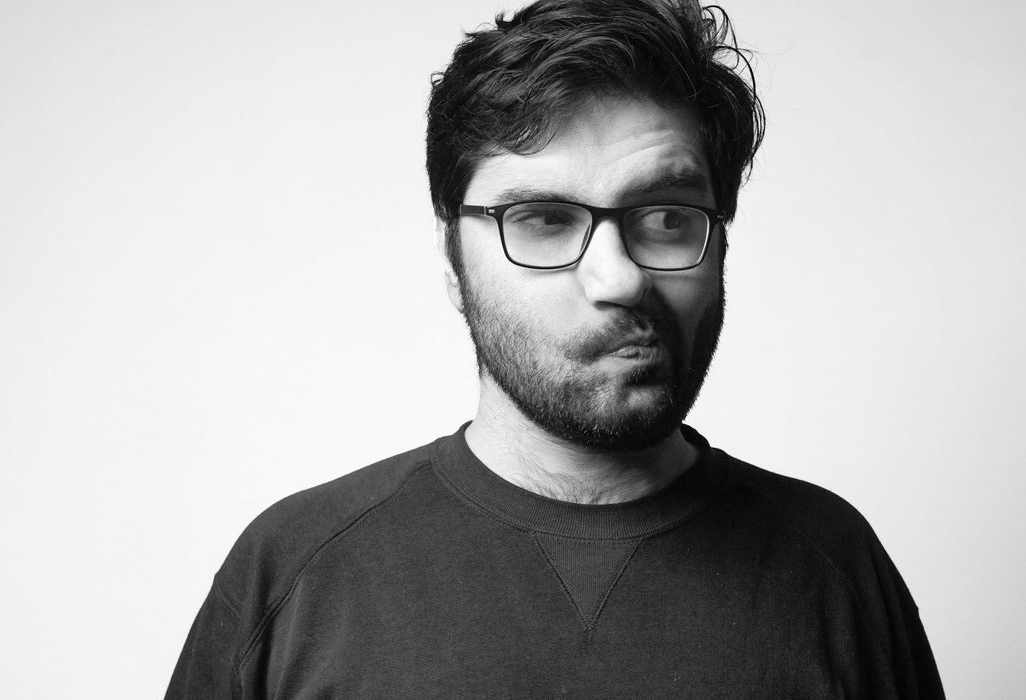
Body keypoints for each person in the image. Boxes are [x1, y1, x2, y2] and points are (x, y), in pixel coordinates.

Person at [166, 0, 944, 697]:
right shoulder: (295, 570)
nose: (618, 280)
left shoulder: (833, 565)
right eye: (542, 219)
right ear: (452, 263)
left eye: (667, 217)